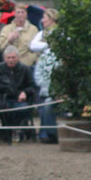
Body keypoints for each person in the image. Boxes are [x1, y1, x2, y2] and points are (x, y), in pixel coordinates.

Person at [0, 45, 36, 144]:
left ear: (18, 58)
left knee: (22, 109)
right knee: (2, 109)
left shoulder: (25, 69)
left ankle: (15, 130)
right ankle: (6, 132)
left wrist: (25, 92)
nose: (11, 60)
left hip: (20, 100)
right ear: (4, 58)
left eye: (13, 57)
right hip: (4, 98)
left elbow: (32, 87)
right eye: (9, 58)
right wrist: (4, 88)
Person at [30, 8, 59, 144]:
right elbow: (33, 46)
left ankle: (53, 133)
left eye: (45, 18)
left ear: (52, 19)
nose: (42, 20)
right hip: (43, 79)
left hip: (56, 78)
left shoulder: (60, 32)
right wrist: (48, 44)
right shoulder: (42, 33)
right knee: (43, 105)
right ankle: (46, 133)